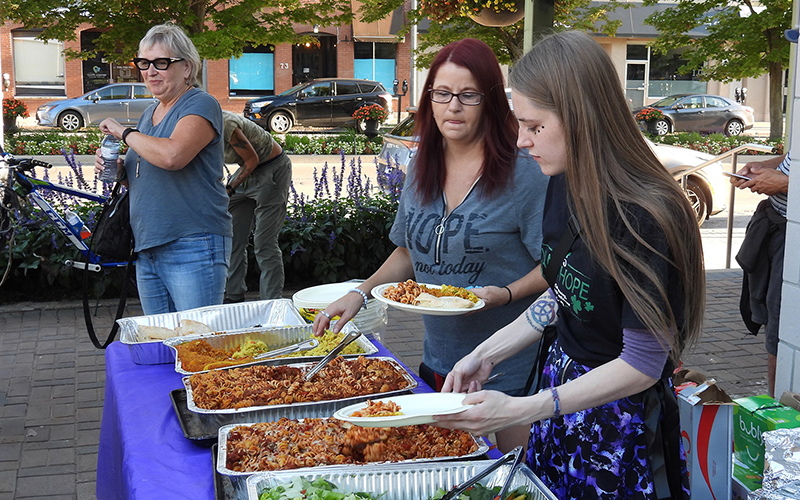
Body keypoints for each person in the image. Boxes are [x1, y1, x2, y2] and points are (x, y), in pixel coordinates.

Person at [434, 31, 705, 500]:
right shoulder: (561, 178)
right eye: (520, 124)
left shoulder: (646, 214)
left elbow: (642, 363)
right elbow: (565, 292)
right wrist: (487, 352)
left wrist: (523, 409)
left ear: (583, 119)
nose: (521, 141)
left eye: (534, 127)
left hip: (620, 420)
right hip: (560, 396)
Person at [312, 38, 550, 453]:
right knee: (452, 467)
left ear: (491, 101)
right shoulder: (422, 167)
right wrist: (359, 292)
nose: (452, 106)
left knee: (516, 475)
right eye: (441, 93)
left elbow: (555, 267)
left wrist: (506, 294)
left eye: (468, 95)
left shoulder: (525, 173)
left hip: (509, 366)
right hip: (439, 360)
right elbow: (406, 251)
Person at [95, 23, 232, 315]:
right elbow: (148, 177)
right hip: (149, 247)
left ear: (187, 68)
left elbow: (173, 156)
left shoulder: (200, 104)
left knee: (198, 345)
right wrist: (119, 171)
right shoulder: (149, 113)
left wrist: (125, 133)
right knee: (161, 344)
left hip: (192, 243)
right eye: (144, 63)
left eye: (161, 62)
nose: (150, 71)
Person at [732, 151, 791, 397]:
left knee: (783, 331)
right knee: (775, 326)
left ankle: (783, 420)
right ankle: (778, 416)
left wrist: (787, 184)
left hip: (792, 238)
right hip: (778, 228)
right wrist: (763, 168)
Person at [221, 110, 292, 302]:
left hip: (272, 169)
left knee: (264, 243)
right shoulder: (193, 127)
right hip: (246, 172)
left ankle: (270, 303)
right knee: (233, 237)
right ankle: (234, 296)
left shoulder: (226, 124)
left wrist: (229, 189)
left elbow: (251, 160)